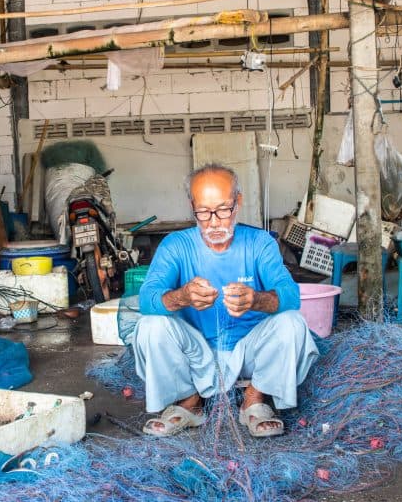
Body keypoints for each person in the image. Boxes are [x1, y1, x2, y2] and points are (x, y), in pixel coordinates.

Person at [133, 163, 319, 438]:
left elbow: (291, 296)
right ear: (192, 206)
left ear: (238, 202)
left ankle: (254, 399)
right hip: (194, 352)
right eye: (203, 212)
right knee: (150, 326)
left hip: (249, 352)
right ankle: (189, 402)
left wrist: (256, 300)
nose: (215, 221)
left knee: (292, 323)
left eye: (223, 209)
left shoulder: (259, 243)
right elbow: (147, 300)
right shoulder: (175, 245)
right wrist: (181, 296)